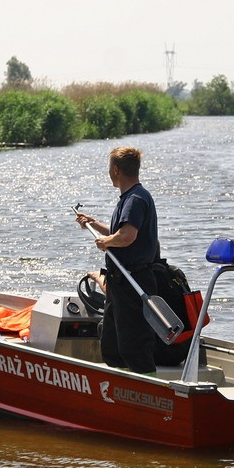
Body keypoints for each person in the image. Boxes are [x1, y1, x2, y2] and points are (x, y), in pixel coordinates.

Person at [75, 146, 159, 375]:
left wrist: (106, 242)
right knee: (112, 343)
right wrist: (94, 225)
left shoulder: (134, 199)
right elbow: (120, 231)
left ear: (115, 170)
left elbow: (126, 237)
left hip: (133, 281)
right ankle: (120, 386)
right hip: (119, 282)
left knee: (134, 345)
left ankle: (148, 389)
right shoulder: (132, 198)